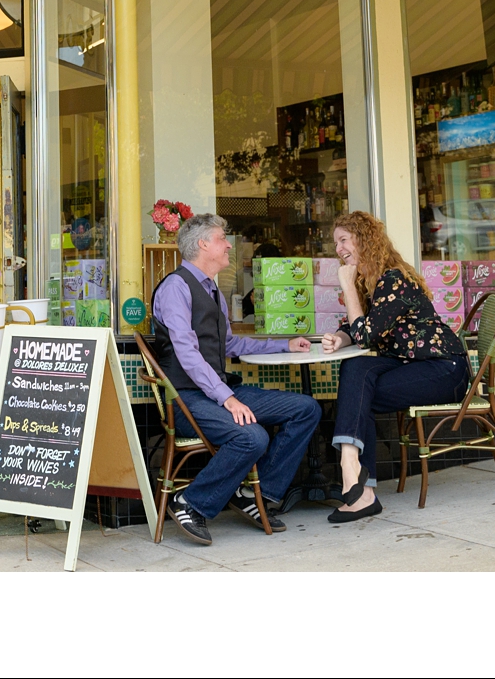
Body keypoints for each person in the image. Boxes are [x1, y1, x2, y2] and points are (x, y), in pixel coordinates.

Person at [146, 213, 323, 546]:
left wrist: (283, 345)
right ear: (202, 244)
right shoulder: (175, 287)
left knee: (306, 409)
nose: (229, 244)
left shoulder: (212, 289)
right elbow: (187, 354)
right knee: (252, 438)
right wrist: (227, 398)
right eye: (221, 238)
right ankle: (190, 503)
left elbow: (230, 344)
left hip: (219, 391)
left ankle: (254, 493)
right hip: (187, 400)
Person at [321, 210, 470, 524]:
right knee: (357, 373)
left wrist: (347, 287)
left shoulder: (393, 279)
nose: (338, 249)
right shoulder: (371, 281)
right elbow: (357, 329)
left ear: (364, 239)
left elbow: (365, 335)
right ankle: (357, 478)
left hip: (443, 369)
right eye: (336, 243)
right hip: (411, 365)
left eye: (343, 240)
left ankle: (358, 482)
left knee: (359, 393)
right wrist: (338, 337)